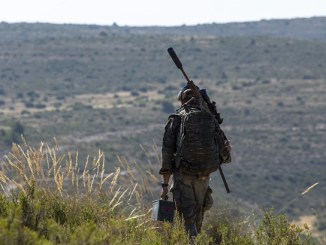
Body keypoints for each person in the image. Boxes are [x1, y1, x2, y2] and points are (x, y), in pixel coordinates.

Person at [159, 85, 218, 238]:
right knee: (198, 215)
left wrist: (165, 186)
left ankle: (190, 240)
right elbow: (224, 154)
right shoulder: (209, 118)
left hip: (183, 176)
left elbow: (166, 153)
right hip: (204, 176)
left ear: (182, 99)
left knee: (187, 218)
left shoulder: (177, 119)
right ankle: (196, 238)